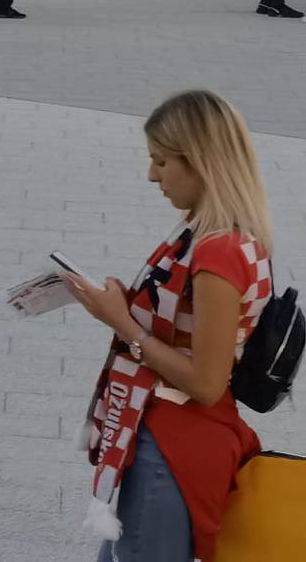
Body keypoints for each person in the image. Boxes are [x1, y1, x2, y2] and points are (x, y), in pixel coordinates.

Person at [65, 90, 275, 562]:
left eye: (161, 161)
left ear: (200, 161)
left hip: (177, 444)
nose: (151, 174)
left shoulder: (216, 251)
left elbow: (205, 381)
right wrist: (123, 308)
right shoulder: (218, 233)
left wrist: (123, 324)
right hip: (172, 436)